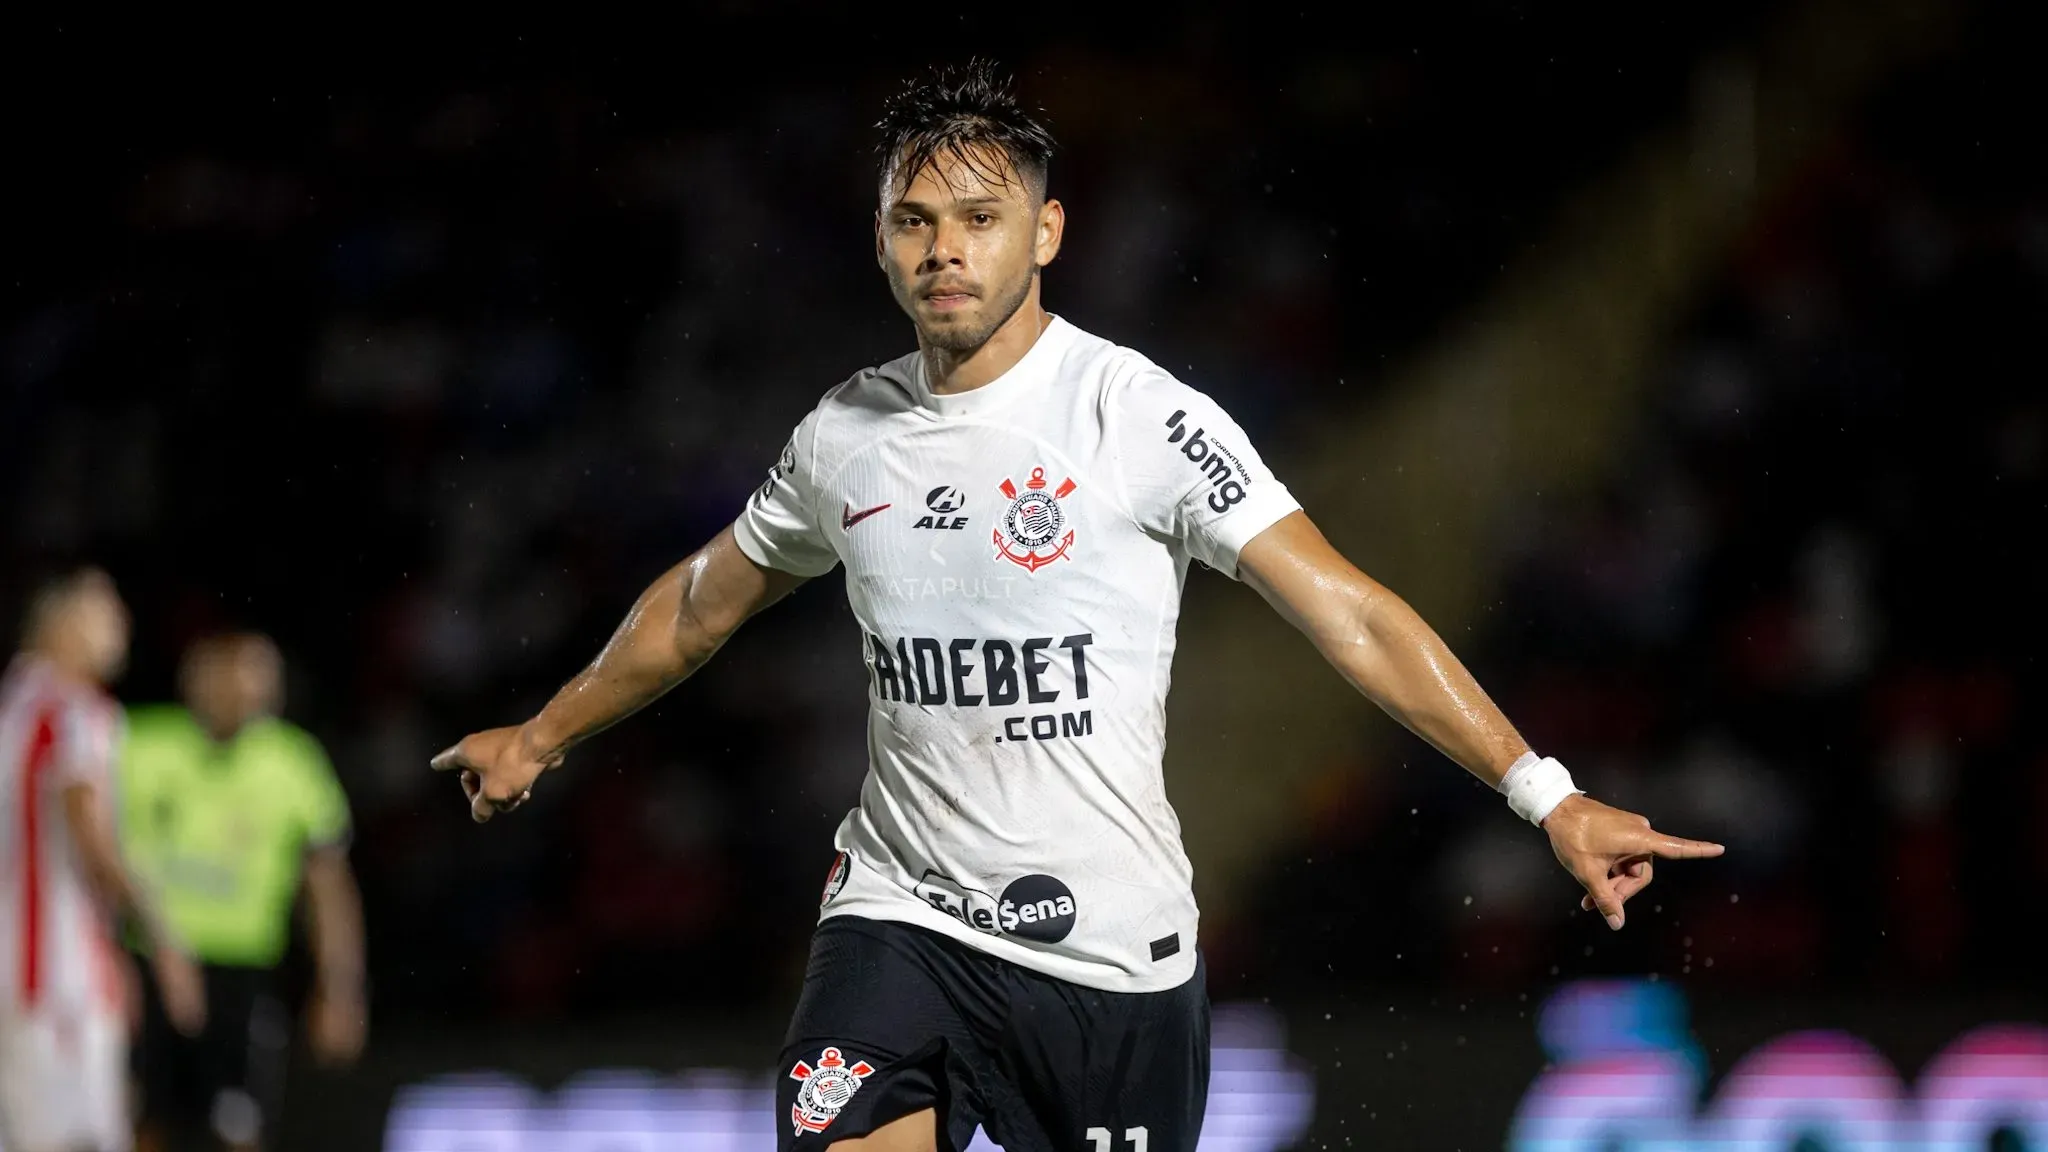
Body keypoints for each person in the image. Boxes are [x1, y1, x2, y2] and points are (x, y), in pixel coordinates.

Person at [432, 62, 1726, 1152]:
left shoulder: (1139, 417)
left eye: (978, 217)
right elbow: (699, 607)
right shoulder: (846, 436)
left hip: (1109, 957)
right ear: (881, 241)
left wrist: (1546, 796)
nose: (943, 247)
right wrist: (543, 733)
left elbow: (1352, 615)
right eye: (913, 219)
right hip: (900, 915)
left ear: (1045, 232)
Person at [117, 632, 366, 1152]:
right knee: (140, 1122)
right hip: (145, 967)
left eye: (260, 680)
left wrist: (339, 986)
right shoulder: (139, 747)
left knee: (239, 1124)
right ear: (196, 681)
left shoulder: (293, 762)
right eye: (232, 677)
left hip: (243, 974)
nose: (247, 693)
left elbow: (327, 885)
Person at [0, 568, 206, 1152]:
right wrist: (164, 940)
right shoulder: (73, 710)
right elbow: (90, 836)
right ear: (60, 623)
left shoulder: (13, 705)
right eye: (105, 613)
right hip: (55, 979)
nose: (122, 628)